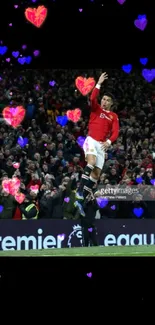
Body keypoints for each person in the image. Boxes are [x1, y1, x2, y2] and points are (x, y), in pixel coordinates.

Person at [75, 72, 120, 216]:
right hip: (91, 140)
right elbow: (93, 97)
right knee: (91, 161)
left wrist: (108, 141)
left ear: (111, 103)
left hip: (101, 146)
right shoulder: (96, 109)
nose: (104, 102)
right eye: (104, 99)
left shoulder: (113, 116)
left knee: (96, 175)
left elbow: (115, 132)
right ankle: (80, 191)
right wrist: (98, 84)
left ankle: (80, 202)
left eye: (107, 100)